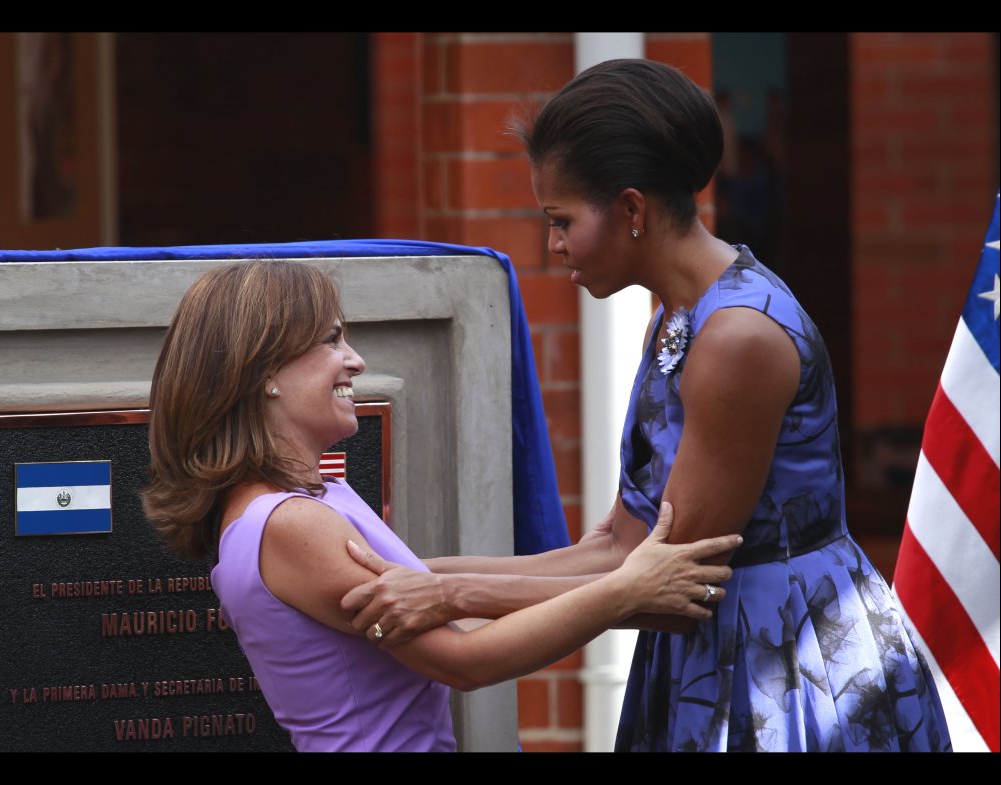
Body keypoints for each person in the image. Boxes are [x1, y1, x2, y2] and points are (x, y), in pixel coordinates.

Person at [341, 59, 952, 752]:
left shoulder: (738, 337)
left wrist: (444, 594)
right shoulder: (677, 317)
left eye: (562, 219)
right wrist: (418, 574)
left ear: (632, 209)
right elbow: (617, 548)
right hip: (710, 649)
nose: (553, 247)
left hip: (788, 667)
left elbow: (665, 579)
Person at [140, 260, 742, 752]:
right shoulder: (290, 524)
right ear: (264, 372)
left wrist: (593, 559)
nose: (355, 360)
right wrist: (623, 591)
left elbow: (432, 583)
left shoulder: (311, 496)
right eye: (331, 341)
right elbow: (462, 660)